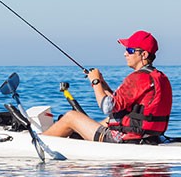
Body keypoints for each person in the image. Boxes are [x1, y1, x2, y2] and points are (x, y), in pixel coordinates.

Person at [42, 30, 172, 144]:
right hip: (149, 136)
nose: (125, 54)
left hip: (125, 139)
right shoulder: (159, 77)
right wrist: (103, 84)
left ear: (144, 55)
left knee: (71, 116)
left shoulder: (138, 77)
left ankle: (38, 142)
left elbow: (107, 106)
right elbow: (119, 106)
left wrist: (96, 83)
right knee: (106, 120)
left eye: (130, 50)